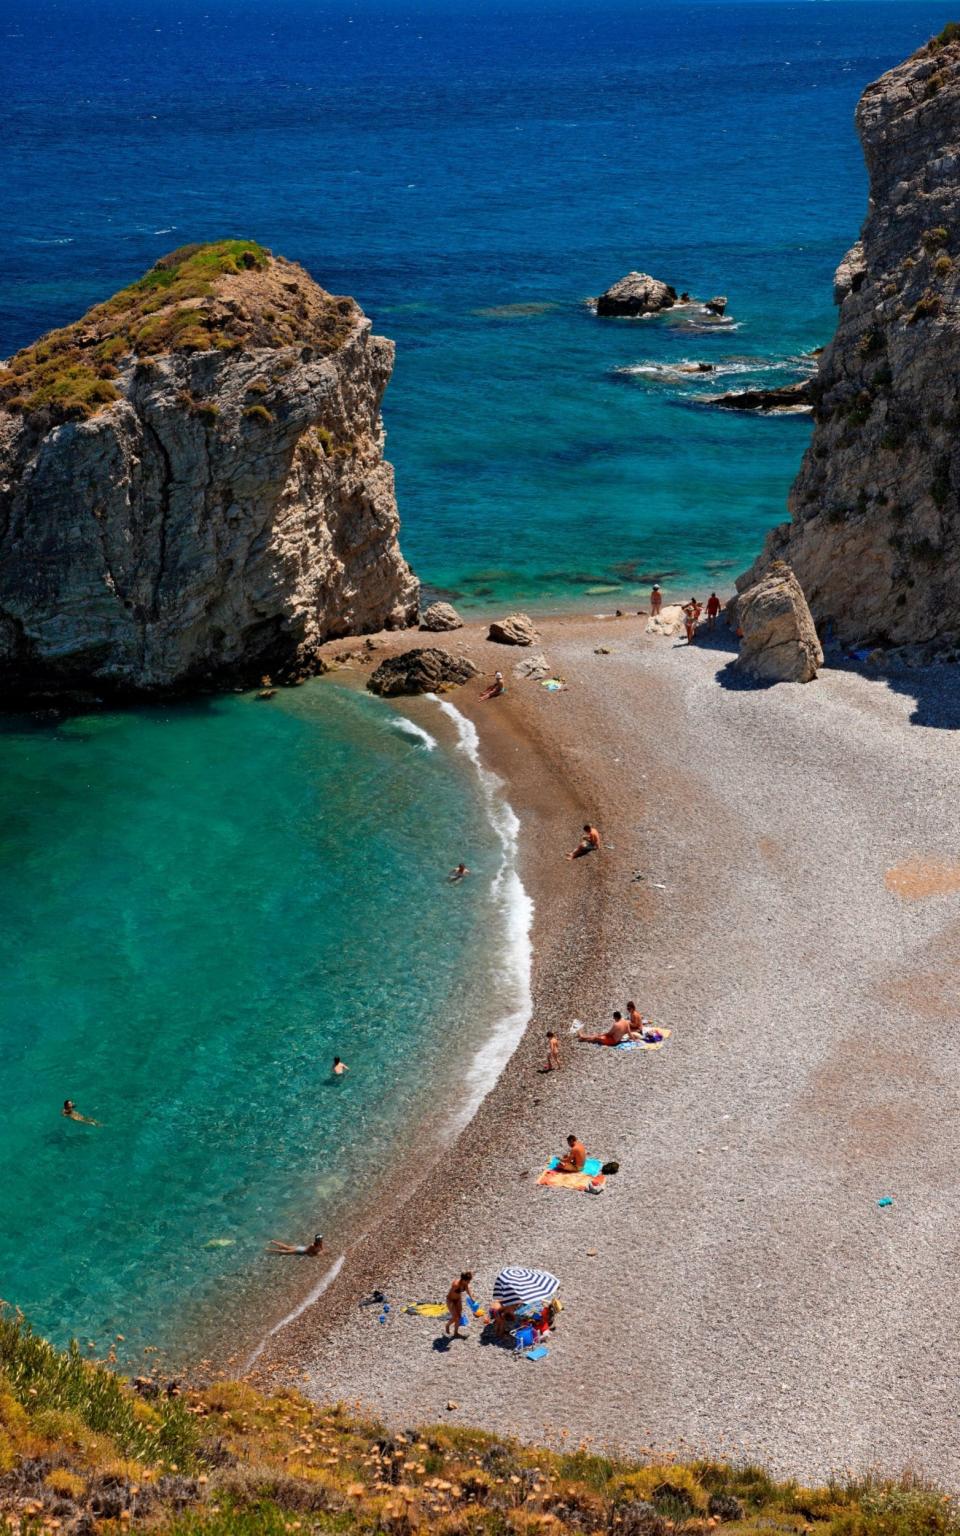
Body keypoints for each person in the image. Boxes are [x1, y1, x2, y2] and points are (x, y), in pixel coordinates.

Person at [445, 1271, 474, 1338]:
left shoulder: (465, 1284)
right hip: (451, 1300)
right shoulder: (455, 1285)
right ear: (464, 1280)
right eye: (468, 1281)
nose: (469, 1282)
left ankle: (456, 1333)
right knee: (455, 1317)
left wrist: (472, 1298)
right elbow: (450, 1295)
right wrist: (452, 1304)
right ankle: (447, 1325)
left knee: (459, 1316)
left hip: (458, 1300)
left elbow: (467, 1290)